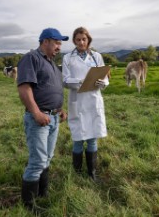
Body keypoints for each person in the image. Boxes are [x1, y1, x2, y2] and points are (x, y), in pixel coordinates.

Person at [16, 27, 69, 208]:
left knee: (47, 158)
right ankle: (28, 205)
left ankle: (42, 194)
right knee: (37, 161)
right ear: (45, 41)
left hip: (54, 118)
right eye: (57, 43)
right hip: (39, 119)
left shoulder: (53, 64)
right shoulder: (32, 58)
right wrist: (36, 112)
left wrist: (60, 109)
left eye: (60, 44)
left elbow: (52, 89)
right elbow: (24, 88)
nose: (59, 47)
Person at [62, 27, 109, 181]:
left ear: (88, 40)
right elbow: (65, 80)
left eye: (84, 39)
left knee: (92, 138)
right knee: (77, 138)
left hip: (93, 99)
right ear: (74, 41)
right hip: (77, 101)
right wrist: (80, 81)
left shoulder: (96, 56)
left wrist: (103, 82)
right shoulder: (68, 58)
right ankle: (77, 174)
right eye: (78, 39)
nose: (81, 42)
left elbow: (105, 77)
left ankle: (92, 174)